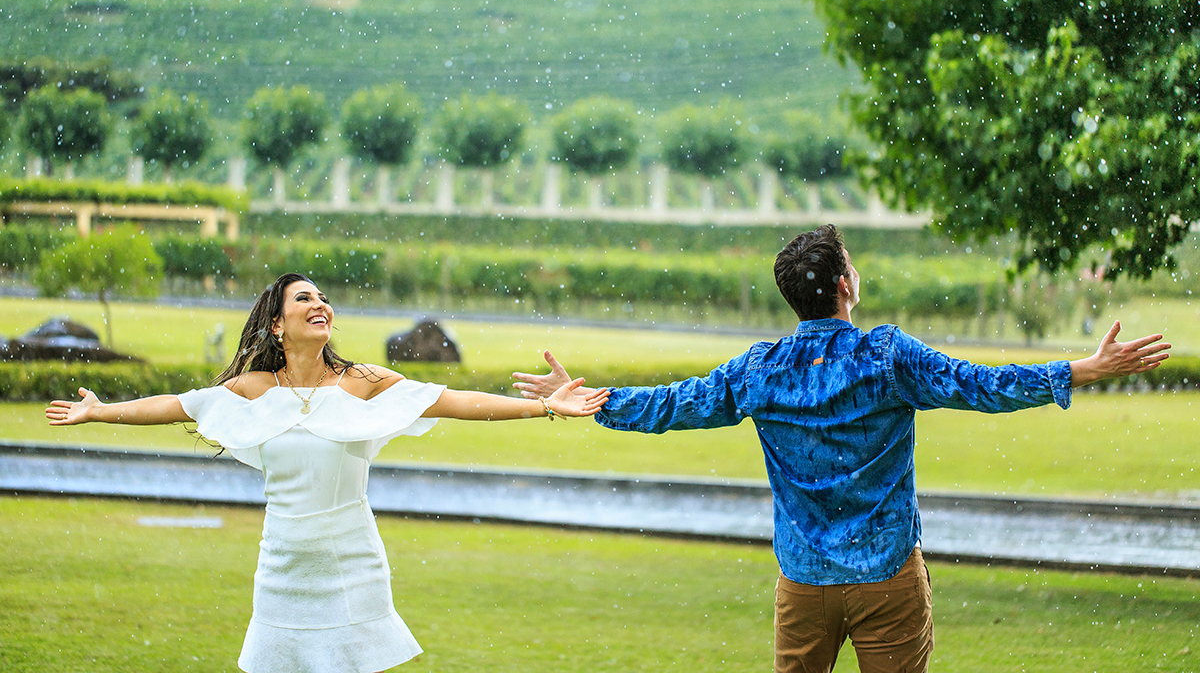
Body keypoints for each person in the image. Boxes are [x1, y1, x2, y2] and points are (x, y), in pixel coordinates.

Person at [512, 224, 1170, 673]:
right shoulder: (888, 357)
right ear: (845, 286)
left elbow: (675, 403)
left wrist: (588, 399)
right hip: (889, 579)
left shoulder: (760, 370)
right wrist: (1083, 369)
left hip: (804, 586)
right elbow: (983, 385)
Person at [47, 272, 609, 673]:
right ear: (276, 324)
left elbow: (453, 400)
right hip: (282, 565)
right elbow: (177, 405)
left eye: (323, 298)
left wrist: (546, 406)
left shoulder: (363, 381)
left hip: (351, 561)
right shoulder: (254, 388)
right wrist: (99, 411)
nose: (320, 304)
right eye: (304, 298)